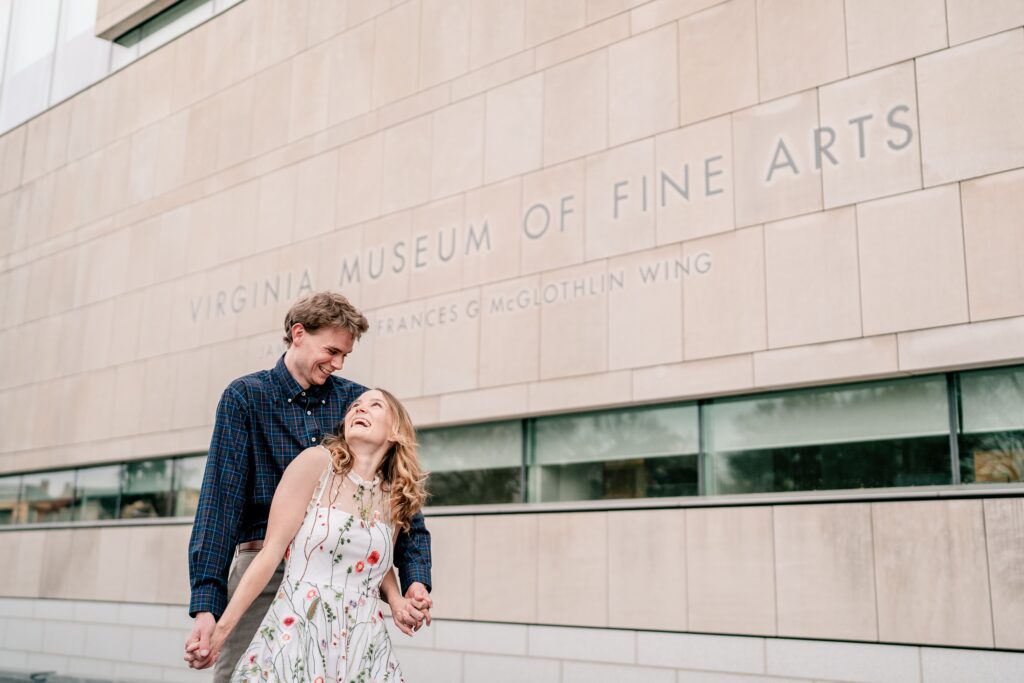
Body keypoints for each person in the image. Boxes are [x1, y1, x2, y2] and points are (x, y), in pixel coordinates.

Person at [184, 292, 432, 678]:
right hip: (262, 570)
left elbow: (396, 508)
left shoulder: (356, 402)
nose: (337, 363)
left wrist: (413, 582)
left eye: (345, 356)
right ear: (298, 333)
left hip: (344, 582)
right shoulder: (246, 397)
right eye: (331, 351)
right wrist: (206, 605)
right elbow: (219, 506)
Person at [207, 388, 426, 680]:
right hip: (300, 625)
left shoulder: (395, 496)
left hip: (361, 638)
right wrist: (221, 629)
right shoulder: (315, 464)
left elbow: (373, 562)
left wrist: (397, 600)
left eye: (375, 405)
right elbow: (271, 552)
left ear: (395, 431)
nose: (360, 409)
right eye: (356, 406)